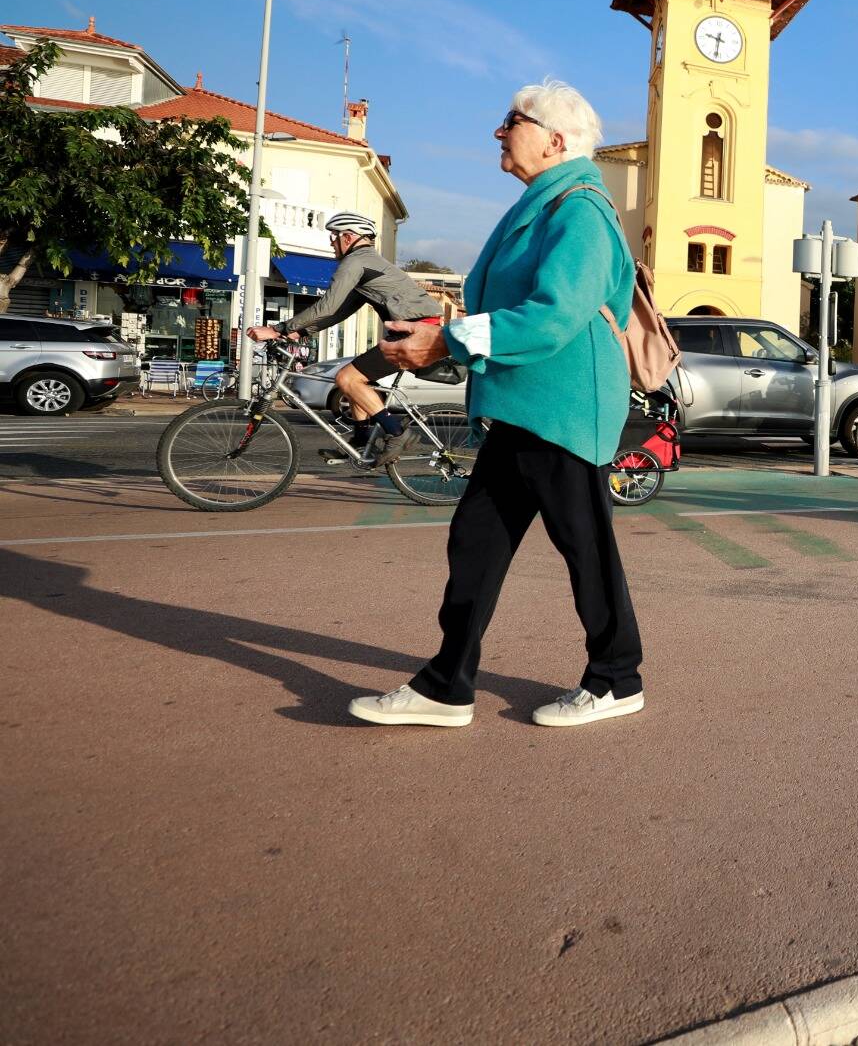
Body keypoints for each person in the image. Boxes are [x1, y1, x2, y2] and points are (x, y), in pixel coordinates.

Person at [348, 80, 643, 729]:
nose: (499, 131)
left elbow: (553, 316)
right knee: (476, 540)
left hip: (565, 405)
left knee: (585, 546)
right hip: (524, 403)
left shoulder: (580, 208)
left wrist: (445, 340)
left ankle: (617, 677)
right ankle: (446, 685)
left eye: (512, 120)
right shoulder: (545, 204)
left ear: (555, 140)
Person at [247, 213, 443, 464]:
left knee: (346, 378)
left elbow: (327, 306)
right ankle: (362, 441)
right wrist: (300, 331)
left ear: (348, 237)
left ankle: (397, 433)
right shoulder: (367, 264)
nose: (331, 243)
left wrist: (278, 329)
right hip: (411, 330)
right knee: (355, 379)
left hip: (415, 332)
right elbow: (340, 311)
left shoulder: (354, 263)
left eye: (334, 237)